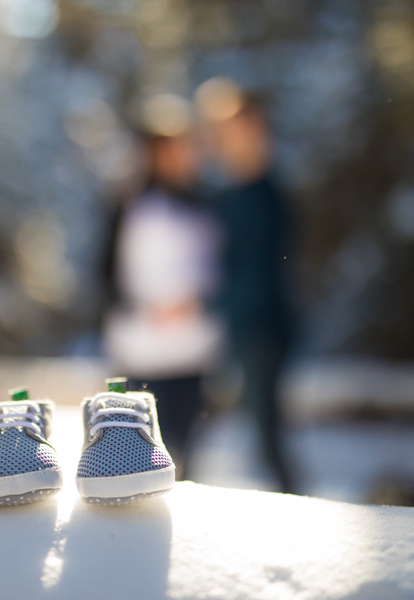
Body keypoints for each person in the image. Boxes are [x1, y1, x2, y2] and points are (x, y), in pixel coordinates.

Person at [103, 99, 223, 480]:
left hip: (194, 347)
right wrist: (143, 307)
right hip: (141, 347)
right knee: (140, 447)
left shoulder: (206, 204)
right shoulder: (128, 205)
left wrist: (196, 302)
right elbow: (108, 273)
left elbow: (220, 268)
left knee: (187, 450)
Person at [199, 80, 297, 493]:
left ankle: (301, 513)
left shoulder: (267, 193)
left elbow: (260, 270)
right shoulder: (223, 194)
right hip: (230, 328)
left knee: (266, 433)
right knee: (198, 424)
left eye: (239, 127)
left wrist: (214, 307)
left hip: (261, 329)